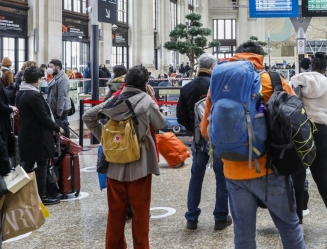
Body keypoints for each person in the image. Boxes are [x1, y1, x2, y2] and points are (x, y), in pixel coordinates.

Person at [200, 40, 304, 249]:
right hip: (270, 168)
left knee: (244, 236)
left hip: (233, 172)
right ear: (259, 58)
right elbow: (297, 123)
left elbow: (205, 130)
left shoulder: (218, 84)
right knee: (289, 226)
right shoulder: (272, 80)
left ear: (236, 56)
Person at [83, 65, 165, 249]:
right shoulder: (147, 101)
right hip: (140, 164)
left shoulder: (114, 100)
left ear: (126, 81)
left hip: (114, 164)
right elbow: (160, 122)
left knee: (115, 211)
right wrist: (152, 99)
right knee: (141, 213)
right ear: (145, 83)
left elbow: (88, 116)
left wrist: (104, 138)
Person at [176, 53, 231, 231]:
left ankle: (192, 217)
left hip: (199, 140)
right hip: (218, 139)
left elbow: (180, 116)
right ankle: (221, 217)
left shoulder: (186, 88)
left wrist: (195, 130)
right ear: (213, 66)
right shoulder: (218, 86)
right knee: (221, 176)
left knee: (196, 176)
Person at [290, 52, 327, 230]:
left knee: (297, 176)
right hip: (320, 131)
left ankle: (298, 220)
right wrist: (324, 137)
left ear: (311, 66)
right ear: (326, 68)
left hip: (298, 131)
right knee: (322, 177)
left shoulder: (297, 81)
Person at [16, 65, 63, 206]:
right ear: (37, 79)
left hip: (28, 133)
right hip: (37, 135)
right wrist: (57, 128)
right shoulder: (33, 94)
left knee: (28, 164)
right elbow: (43, 116)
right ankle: (42, 196)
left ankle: (17, 193)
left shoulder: (22, 91)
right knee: (42, 163)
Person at [46, 59, 72, 139]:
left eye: (51, 67)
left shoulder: (63, 79)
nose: (49, 69)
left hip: (61, 109)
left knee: (63, 127)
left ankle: (66, 144)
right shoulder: (56, 77)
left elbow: (62, 95)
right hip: (55, 108)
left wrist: (59, 111)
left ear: (57, 68)